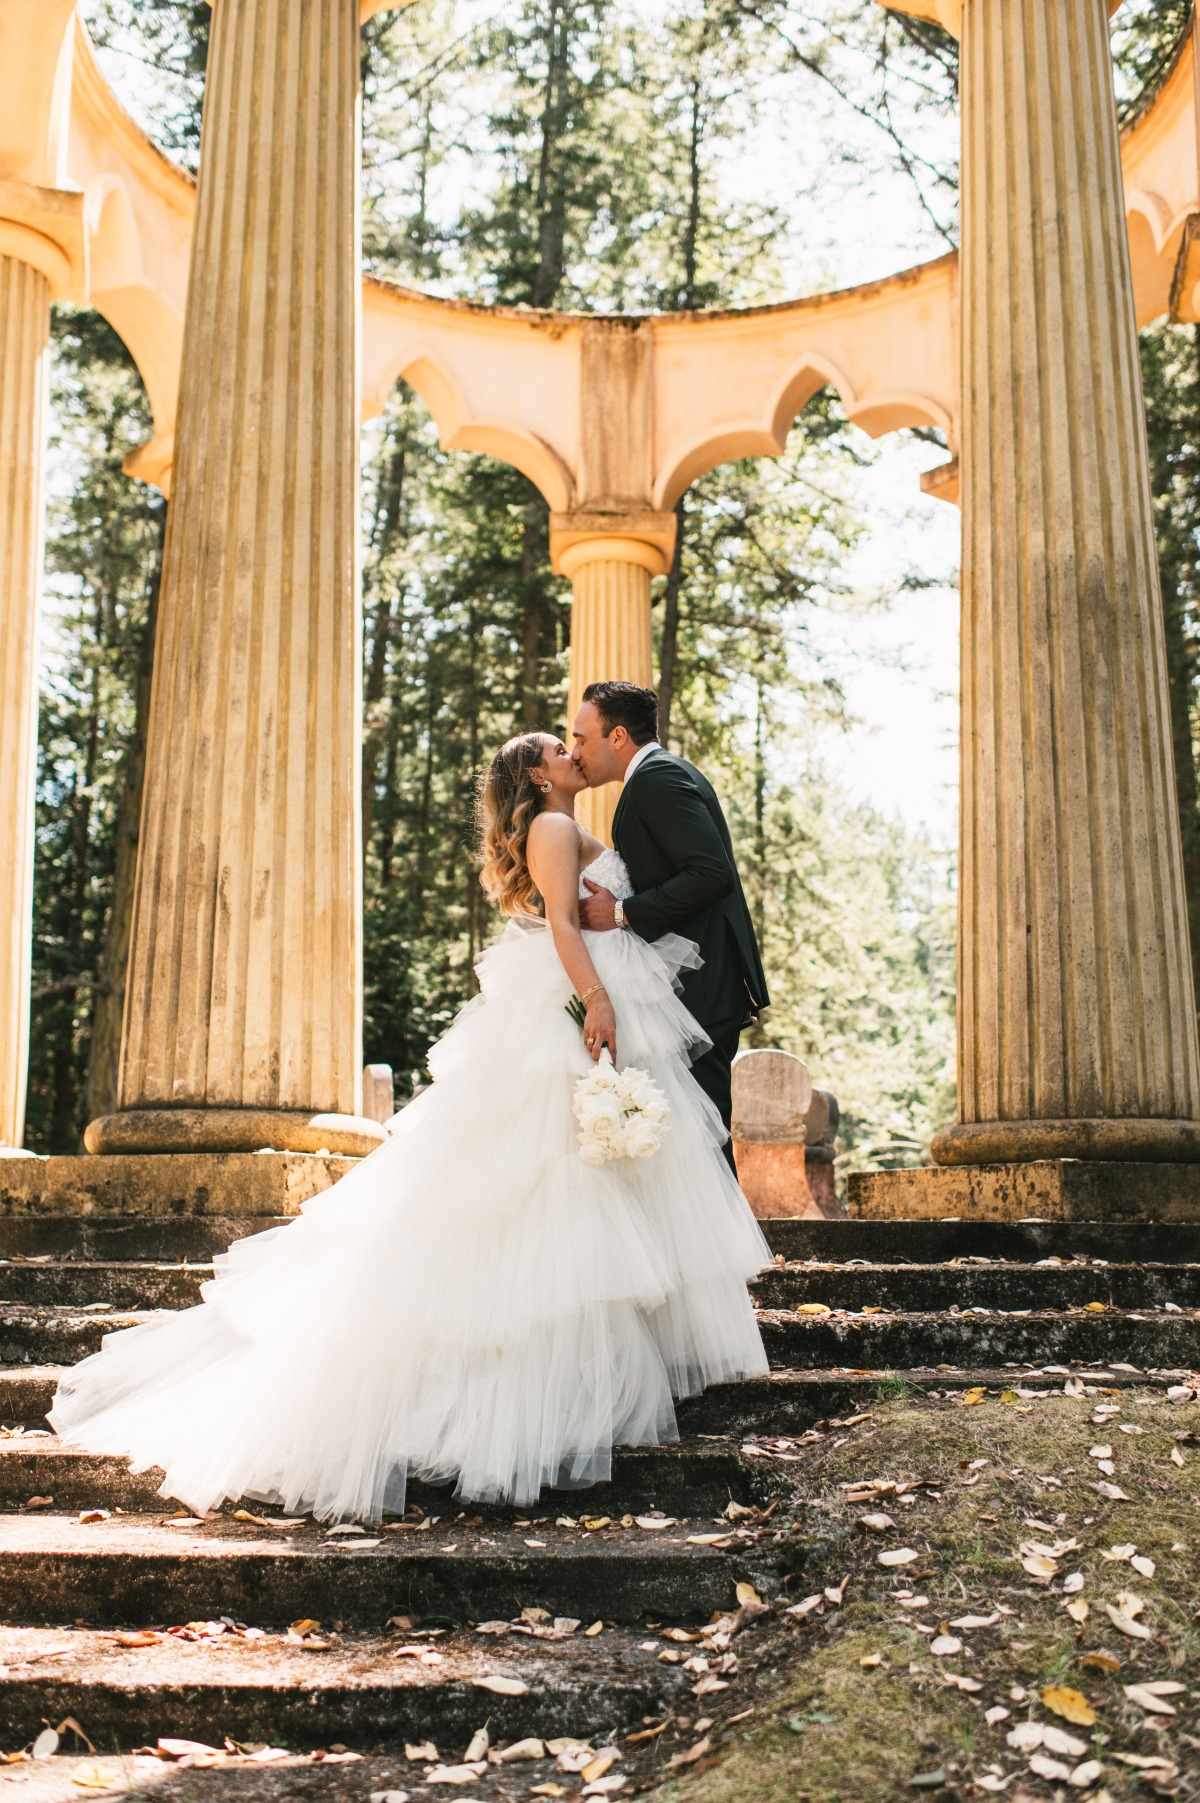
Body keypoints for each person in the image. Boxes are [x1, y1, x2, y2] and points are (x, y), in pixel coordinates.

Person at [50, 731, 770, 1524]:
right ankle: (539, 1396)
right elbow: (567, 925)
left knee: (578, 1177)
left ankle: (579, 1377)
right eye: (558, 749)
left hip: (583, 990)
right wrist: (596, 999)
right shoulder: (556, 828)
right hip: (577, 994)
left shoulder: (562, 823)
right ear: (537, 773)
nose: (573, 751)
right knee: (558, 1183)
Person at [573, 682, 769, 1169]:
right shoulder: (661, 775)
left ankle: (728, 1248)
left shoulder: (656, 779)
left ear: (617, 737)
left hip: (703, 985)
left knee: (702, 1140)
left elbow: (710, 873)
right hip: (699, 983)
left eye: (581, 738)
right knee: (693, 1138)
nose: (576, 752)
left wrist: (621, 913)